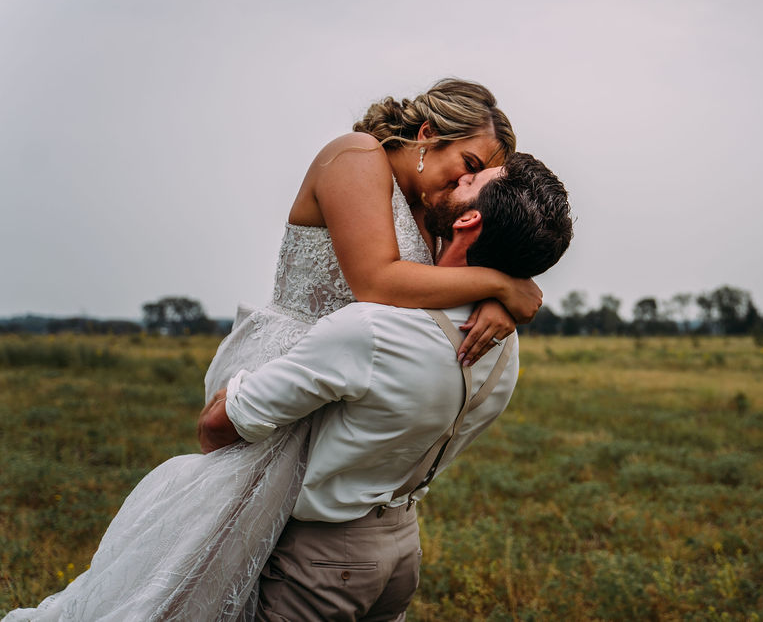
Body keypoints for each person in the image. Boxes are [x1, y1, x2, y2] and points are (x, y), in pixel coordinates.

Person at [3, 80, 541, 621]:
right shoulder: (356, 157)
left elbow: (463, 267)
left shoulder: (431, 211)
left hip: (349, 373)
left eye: (478, 177)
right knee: (206, 557)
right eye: (467, 163)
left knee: (288, 539)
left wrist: (502, 299)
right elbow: (376, 282)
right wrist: (498, 286)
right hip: (292, 359)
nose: (464, 182)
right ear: (428, 134)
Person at [198, 152, 573, 620]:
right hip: (400, 553)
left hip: (321, 559)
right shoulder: (505, 345)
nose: (459, 175)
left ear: (469, 219)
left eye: (471, 178)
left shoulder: (372, 330)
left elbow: (222, 424)